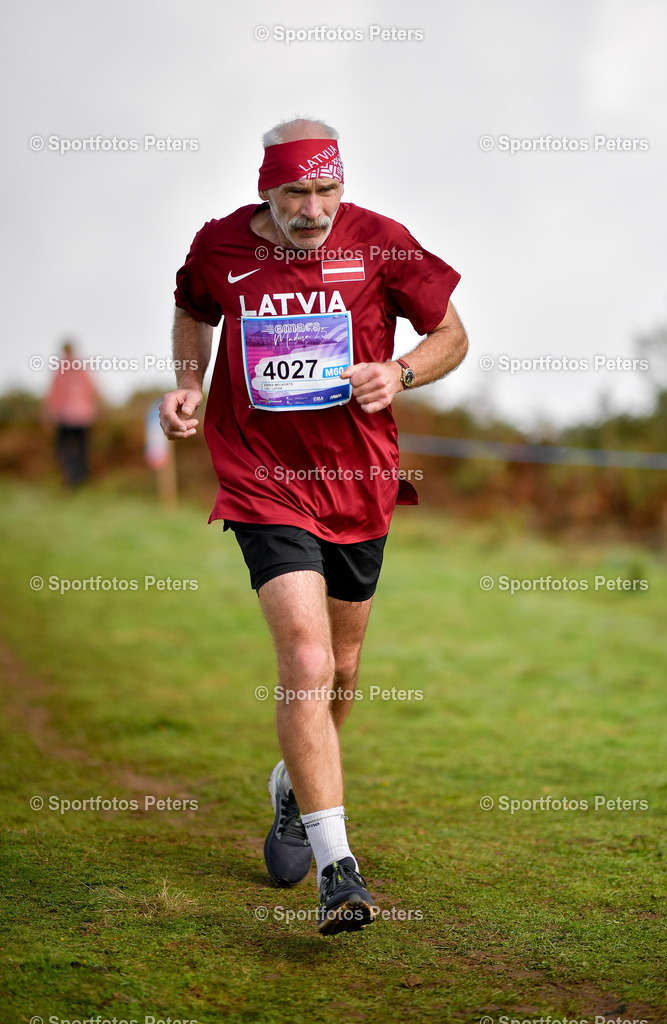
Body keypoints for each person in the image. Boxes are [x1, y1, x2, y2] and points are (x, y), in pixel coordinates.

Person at [159, 118, 468, 936]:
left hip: (357, 479)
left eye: (326, 189)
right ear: (266, 187)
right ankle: (339, 869)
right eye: (295, 191)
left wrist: (397, 371)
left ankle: (294, 790)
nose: (312, 207)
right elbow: (193, 309)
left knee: (344, 664)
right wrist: (187, 383)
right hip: (261, 476)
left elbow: (452, 335)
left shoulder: (381, 242)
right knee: (304, 654)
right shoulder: (223, 245)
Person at [44, 338, 98, 487]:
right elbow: (91, 389)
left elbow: (55, 394)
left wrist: (50, 415)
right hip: (84, 416)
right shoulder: (82, 367)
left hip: (66, 417)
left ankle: (73, 477)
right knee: (82, 448)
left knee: (65, 448)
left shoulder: (60, 369)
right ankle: (82, 477)